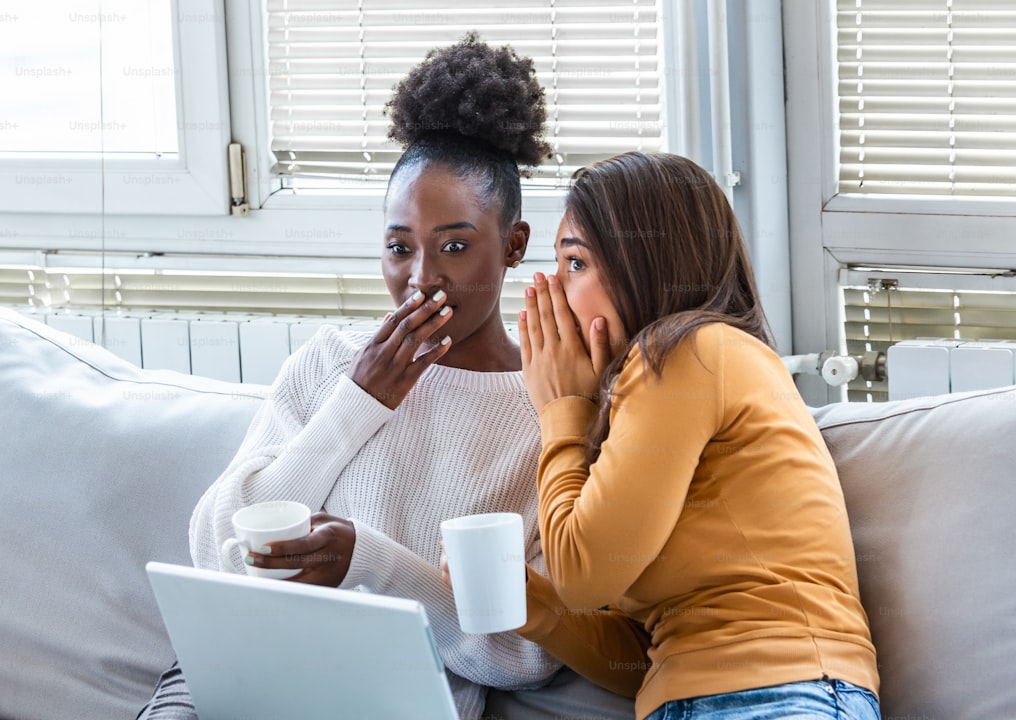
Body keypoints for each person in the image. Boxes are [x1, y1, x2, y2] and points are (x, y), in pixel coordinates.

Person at [137, 34, 632, 720]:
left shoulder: (543, 409)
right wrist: (359, 402)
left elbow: (524, 655)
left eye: (454, 247)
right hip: (235, 681)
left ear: (514, 245)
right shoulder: (332, 364)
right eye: (400, 248)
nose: (421, 279)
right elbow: (213, 544)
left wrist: (368, 563)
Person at [509, 151, 882, 719]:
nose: (552, 292)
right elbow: (650, 654)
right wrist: (526, 602)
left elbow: (582, 575)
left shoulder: (687, 351)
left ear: (644, 262)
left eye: (575, 263)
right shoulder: (655, 390)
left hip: (786, 694)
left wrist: (561, 409)